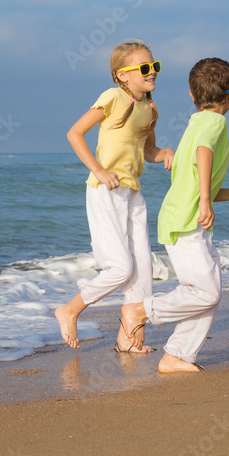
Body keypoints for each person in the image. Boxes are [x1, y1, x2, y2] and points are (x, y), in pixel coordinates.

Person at [120, 57, 229, 372]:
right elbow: (203, 154)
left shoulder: (194, 124)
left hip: (184, 219)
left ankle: (178, 354)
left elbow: (193, 182)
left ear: (192, 98)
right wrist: (206, 200)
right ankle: (139, 311)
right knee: (206, 292)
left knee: (209, 293)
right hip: (185, 224)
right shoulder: (214, 123)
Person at [55, 40, 174, 352]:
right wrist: (98, 170)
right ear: (122, 75)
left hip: (133, 194)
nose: (152, 73)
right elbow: (74, 133)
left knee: (143, 270)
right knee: (121, 268)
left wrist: (167, 154)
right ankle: (69, 310)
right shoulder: (111, 97)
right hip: (105, 191)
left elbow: (149, 151)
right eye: (145, 68)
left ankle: (130, 340)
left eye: (155, 67)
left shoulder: (150, 108)